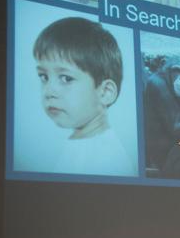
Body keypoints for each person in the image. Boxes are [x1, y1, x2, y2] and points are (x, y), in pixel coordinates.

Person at [33, 17, 137, 176]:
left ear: (105, 92)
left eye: (66, 78)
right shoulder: (84, 143)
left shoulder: (108, 160)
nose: (49, 91)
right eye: (44, 77)